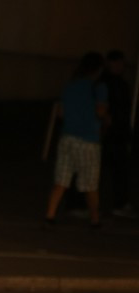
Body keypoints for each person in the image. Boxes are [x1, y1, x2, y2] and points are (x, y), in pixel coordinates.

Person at [44, 51, 108, 228]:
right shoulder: (98, 87)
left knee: (61, 180)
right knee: (90, 183)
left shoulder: (70, 86)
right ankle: (95, 218)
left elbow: (61, 113)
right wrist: (105, 118)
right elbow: (101, 112)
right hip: (88, 139)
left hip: (67, 137)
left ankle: (50, 215)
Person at [101, 49, 135, 217]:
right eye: (118, 62)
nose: (120, 66)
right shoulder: (108, 83)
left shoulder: (119, 84)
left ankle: (119, 202)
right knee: (112, 169)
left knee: (119, 169)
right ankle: (117, 203)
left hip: (117, 132)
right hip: (110, 133)